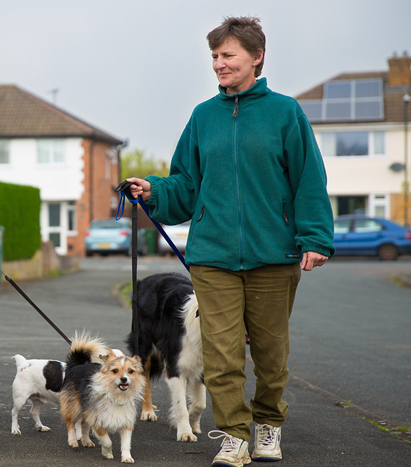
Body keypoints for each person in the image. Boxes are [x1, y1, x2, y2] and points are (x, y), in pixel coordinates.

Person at [127, 16, 334, 467]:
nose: (219, 64)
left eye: (228, 56)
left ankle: (267, 427)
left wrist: (315, 236)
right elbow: (185, 183)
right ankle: (235, 435)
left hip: (273, 255)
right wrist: (155, 191)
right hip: (213, 256)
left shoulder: (285, 113)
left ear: (256, 57)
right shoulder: (203, 117)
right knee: (221, 356)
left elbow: (308, 179)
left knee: (270, 354)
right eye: (215, 57)